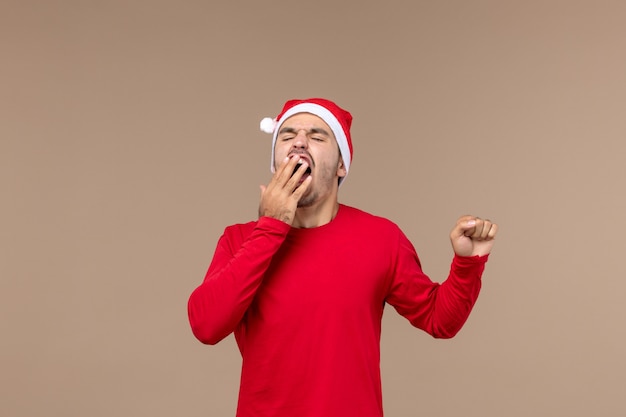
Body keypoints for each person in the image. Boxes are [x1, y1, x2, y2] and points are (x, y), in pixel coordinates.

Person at [187, 98, 498, 417]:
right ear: (275, 161)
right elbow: (206, 325)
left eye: (318, 136)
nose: (299, 141)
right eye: (287, 134)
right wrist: (271, 227)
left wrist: (468, 264)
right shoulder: (240, 239)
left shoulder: (382, 239)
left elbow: (440, 320)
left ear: (341, 165)